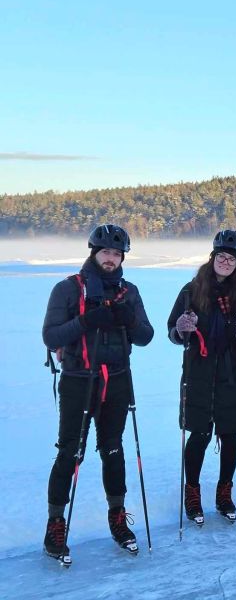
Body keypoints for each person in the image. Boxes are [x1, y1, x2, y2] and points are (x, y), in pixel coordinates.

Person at [41, 224, 154, 564]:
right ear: (93, 252)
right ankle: (55, 525)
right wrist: (89, 321)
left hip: (117, 380)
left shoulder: (129, 291)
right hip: (78, 380)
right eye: (106, 252)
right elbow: (51, 336)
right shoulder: (67, 289)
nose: (111, 258)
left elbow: (146, 336)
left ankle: (117, 518)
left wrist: (128, 319)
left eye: (117, 254)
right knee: (69, 453)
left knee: (113, 449)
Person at [166, 230, 236, 526]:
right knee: (198, 433)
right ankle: (192, 492)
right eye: (221, 257)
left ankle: (224, 493)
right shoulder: (191, 289)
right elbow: (173, 330)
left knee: (231, 432)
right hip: (199, 371)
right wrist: (181, 329)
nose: (225, 262)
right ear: (212, 258)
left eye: (232, 259)